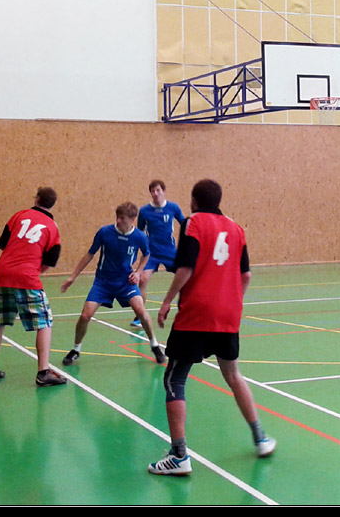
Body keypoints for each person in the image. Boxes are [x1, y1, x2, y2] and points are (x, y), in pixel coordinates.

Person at [148, 179, 275, 476]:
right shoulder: (236, 229)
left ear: (194, 200)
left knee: (174, 380)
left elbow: (186, 268)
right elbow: (246, 276)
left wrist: (166, 301)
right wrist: (232, 301)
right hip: (228, 315)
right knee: (233, 375)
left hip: (197, 313)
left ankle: (179, 456)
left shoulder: (192, 223)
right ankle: (260, 437)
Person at [60, 202, 165, 364]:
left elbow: (146, 255)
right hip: (103, 282)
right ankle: (76, 349)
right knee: (85, 315)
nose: (118, 221)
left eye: (122, 218)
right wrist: (72, 277)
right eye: (117, 217)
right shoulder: (105, 232)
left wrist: (138, 272)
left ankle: (154, 345)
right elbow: (89, 254)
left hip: (125, 281)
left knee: (141, 310)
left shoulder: (139, 237)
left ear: (132, 219)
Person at [0, 187, 65, 387]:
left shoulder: (18, 216)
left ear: (36, 199)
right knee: (44, 322)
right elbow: (49, 261)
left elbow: (3, 244)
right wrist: (32, 271)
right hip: (27, 276)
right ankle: (43, 372)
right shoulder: (52, 227)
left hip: (3, 273)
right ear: (52, 204)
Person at [130, 180, 185, 328]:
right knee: (142, 279)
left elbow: (185, 224)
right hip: (152, 254)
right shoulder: (144, 211)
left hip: (170, 252)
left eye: (158, 190)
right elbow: (139, 232)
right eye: (153, 191)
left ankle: (186, 311)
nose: (155, 194)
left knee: (186, 277)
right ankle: (139, 316)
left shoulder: (173, 207)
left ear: (163, 191)